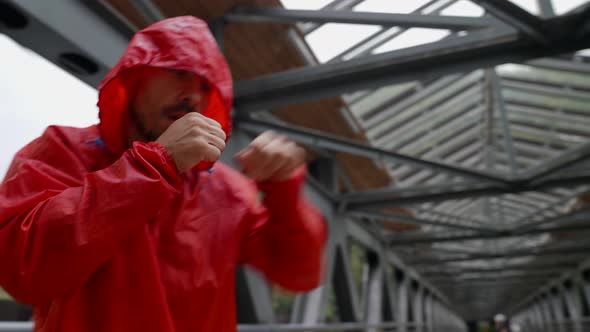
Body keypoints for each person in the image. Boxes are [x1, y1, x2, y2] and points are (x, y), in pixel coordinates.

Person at [0, 16, 327, 332]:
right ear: (136, 77)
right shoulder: (63, 150)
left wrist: (284, 194)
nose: (193, 95)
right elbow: (20, 270)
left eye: (205, 85)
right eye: (179, 72)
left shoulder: (228, 190)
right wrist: (157, 164)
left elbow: (297, 274)